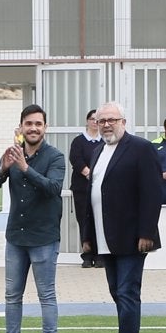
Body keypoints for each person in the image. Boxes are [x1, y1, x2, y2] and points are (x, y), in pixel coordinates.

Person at [72, 101, 161, 333]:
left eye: (112, 119)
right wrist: (88, 237)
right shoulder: (98, 151)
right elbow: (91, 196)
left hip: (132, 237)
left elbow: (152, 193)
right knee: (117, 292)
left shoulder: (141, 149)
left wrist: (147, 232)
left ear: (124, 121)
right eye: (102, 121)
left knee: (127, 292)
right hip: (104, 237)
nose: (107, 124)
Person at [0, 104, 65, 333]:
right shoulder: (12, 153)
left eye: (38, 124)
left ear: (45, 128)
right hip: (16, 238)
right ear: (21, 127)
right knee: (11, 295)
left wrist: (25, 168)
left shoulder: (55, 156)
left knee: (46, 296)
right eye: (28, 124)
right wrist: (4, 168)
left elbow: (53, 188)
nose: (33, 128)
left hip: (43, 238)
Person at [71, 108, 103, 266]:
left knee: (99, 219)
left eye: (98, 120)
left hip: (99, 188)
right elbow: (75, 160)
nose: (95, 123)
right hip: (82, 188)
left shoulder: (104, 141)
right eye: (92, 119)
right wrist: (88, 173)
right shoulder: (78, 141)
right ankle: (87, 254)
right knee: (84, 219)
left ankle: (99, 254)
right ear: (87, 121)